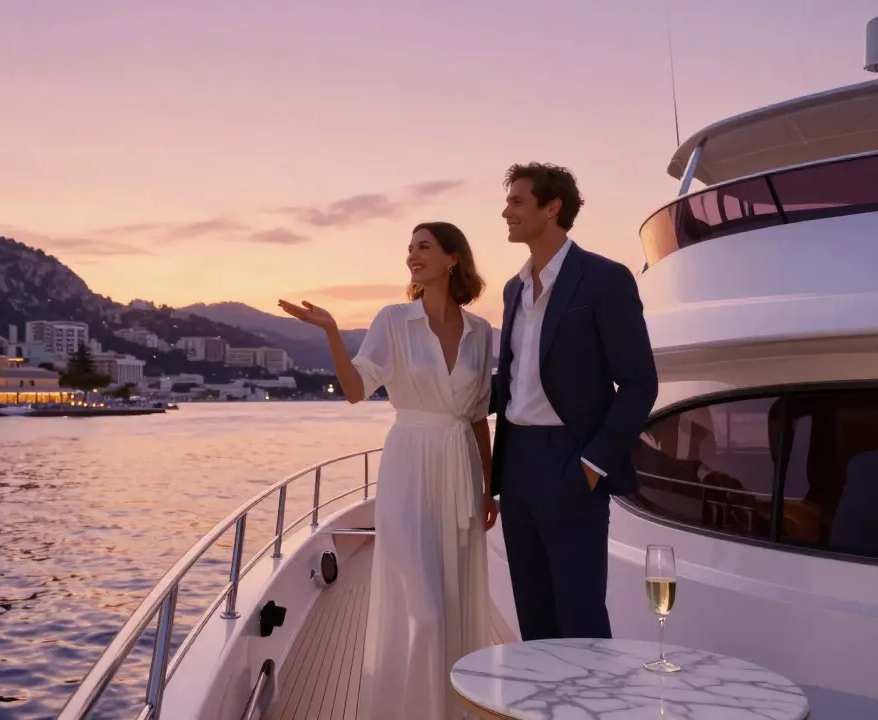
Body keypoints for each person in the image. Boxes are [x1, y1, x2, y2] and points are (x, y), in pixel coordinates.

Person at [279, 221, 496, 719]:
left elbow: (478, 416)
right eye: (410, 248)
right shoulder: (394, 321)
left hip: (459, 469)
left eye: (424, 247)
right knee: (426, 611)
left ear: (452, 258)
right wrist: (332, 332)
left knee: (455, 600)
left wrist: (490, 487)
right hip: (408, 467)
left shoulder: (480, 331)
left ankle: (454, 709)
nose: (412, 256)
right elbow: (357, 390)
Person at [491, 162, 658, 641]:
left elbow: (640, 383)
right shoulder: (513, 289)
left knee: (580, 618)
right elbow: (514, 380)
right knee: (533, 615)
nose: (506, 212)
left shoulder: (604, 279)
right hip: (517, 463)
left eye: (517, 201)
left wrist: (590, 465)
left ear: (552, 208)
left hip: (571, 459)